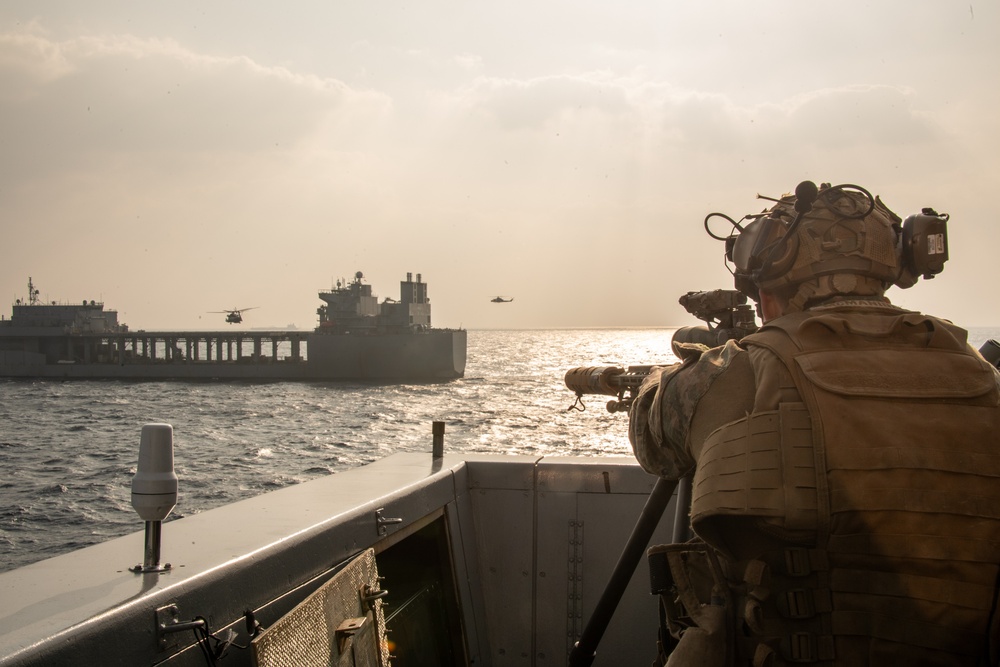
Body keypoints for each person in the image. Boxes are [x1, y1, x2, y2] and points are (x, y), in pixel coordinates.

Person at [628, 182, 1000, 666]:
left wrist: (683, 370)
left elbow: (653, 442)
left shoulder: (741, 371)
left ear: (768, 283)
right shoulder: (981, 373)